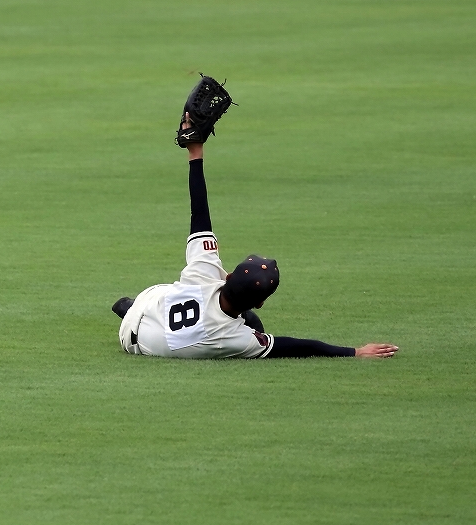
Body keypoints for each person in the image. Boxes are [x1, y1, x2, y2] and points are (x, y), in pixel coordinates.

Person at [112, 114, 399, 360]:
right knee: (252, 325)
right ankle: (129, 309)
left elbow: (199, 214)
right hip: (137, 343)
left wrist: (194, 153)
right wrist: (355, 352)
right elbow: (291, 346)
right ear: (260, 301)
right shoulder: (233, 339)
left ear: (227, 277)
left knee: (173, 297)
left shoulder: (204, 274)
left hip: (151, 303)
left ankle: (131, 307)